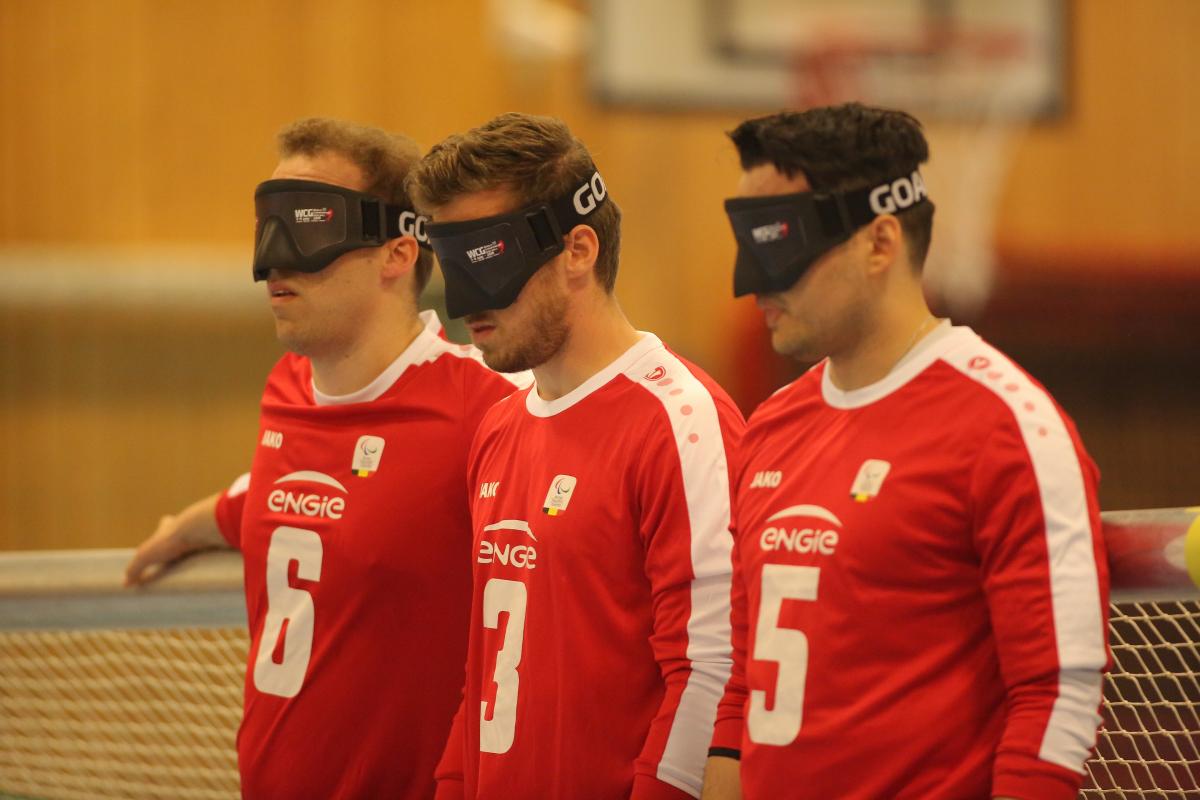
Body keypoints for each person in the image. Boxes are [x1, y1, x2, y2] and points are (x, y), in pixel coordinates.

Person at [702, 104, 1110, 800]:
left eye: (777, 243)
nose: (753, 280)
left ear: (880, 242)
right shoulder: (769, 426)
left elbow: (1054, 696)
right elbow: (744, 690)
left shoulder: (1007, 428)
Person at [124, 118, 527, 799]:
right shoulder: (286, 389)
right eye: (267, 228)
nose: (274, 262)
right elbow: (301, 498)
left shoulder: (489, 407)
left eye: (306, 228)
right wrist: (194, 526)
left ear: (398, 255)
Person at [408, 112, 746, 799]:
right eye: (452, 264)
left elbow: (710, 673)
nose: (464, 299)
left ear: (578, 250)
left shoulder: (680, 423)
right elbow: (482, 678)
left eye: (486, 260)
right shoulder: (500, 428)